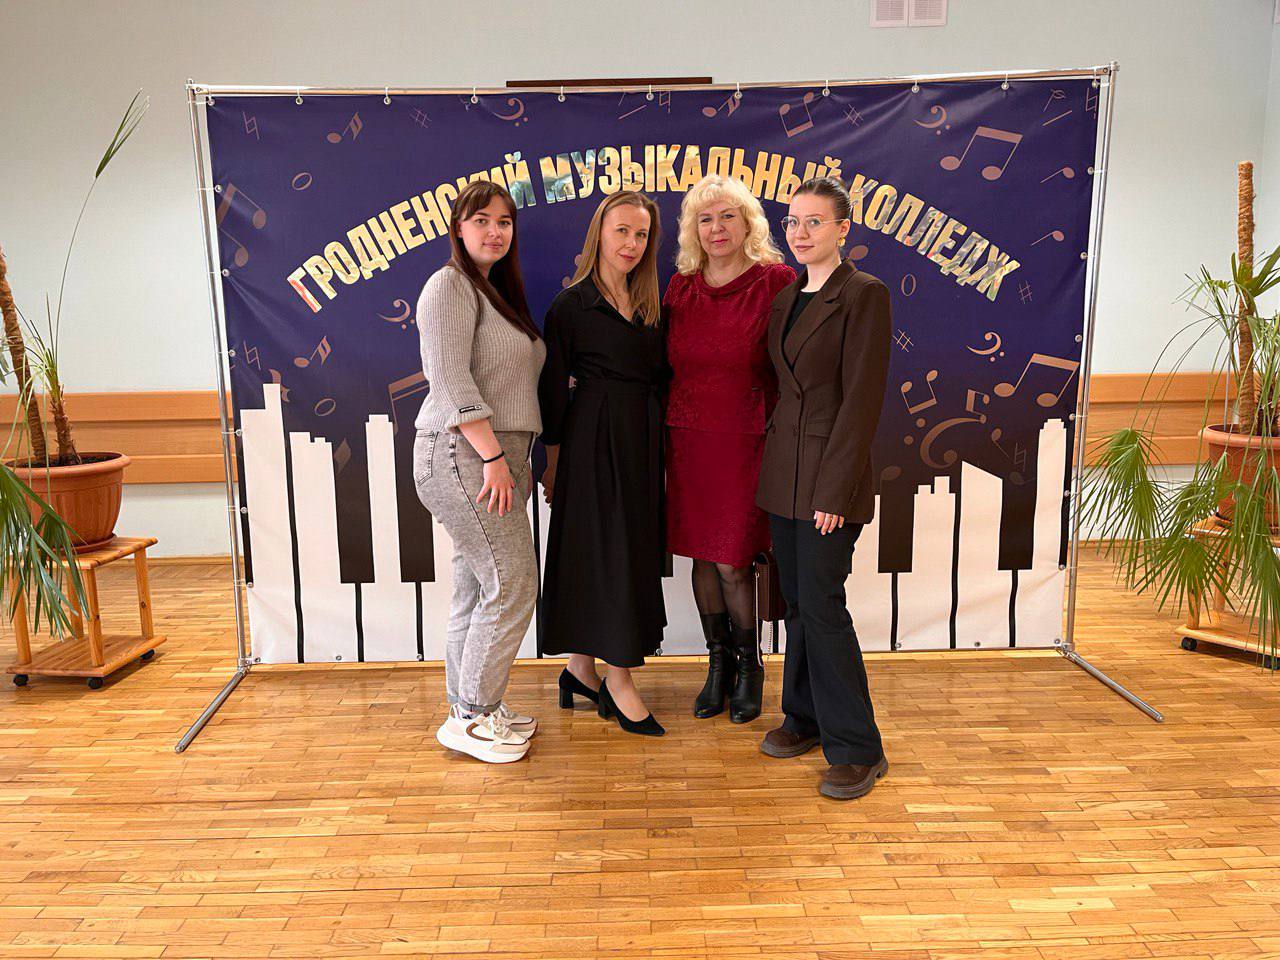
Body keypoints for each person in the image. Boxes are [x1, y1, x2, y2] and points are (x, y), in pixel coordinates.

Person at [755, 176, 893, 800]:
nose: (801, 232)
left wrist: (833, 493)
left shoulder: (864, 294)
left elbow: (860, 403)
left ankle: (858, 748)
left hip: (828, 484)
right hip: (782, 476)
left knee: (823, 607)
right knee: (797, 604)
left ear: (843, 229)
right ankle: (804, 717)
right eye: (793, 221)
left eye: (815, 221)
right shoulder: (787, 298)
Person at [412, 180, 545, 764]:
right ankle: (471, 716)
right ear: (458, 228)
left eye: (504, 221)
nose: (495, 231)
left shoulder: (490, 291)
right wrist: (493, 457)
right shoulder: (449, 285)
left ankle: (470, 707)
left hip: (493, 455)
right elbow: (448, 379)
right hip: (466, 455)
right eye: (481, 220)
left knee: (476, 588)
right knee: (513, 583)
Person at [663, 174, 795, 723]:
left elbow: (793, 365)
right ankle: (717, 666)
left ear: (748, 224)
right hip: (688, 439)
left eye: (727, 216)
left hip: (746, 441)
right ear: (693, 230)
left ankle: (750, 666)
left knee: (733, 561)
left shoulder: (775, 281)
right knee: (701, 557)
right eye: (705, 219)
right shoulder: (680, 287)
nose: (716, 228)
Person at [538, 190, 668, 736]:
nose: (631, 244)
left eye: (641, 234)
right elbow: (551, 392)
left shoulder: (653, 304)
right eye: (622, 231)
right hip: (592, 441)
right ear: (599, 234)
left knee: (629, 551)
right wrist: (551, 465)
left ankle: (579, 671)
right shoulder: (570, 306)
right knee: (604, 555)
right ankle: (619, 679)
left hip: (642, 440)